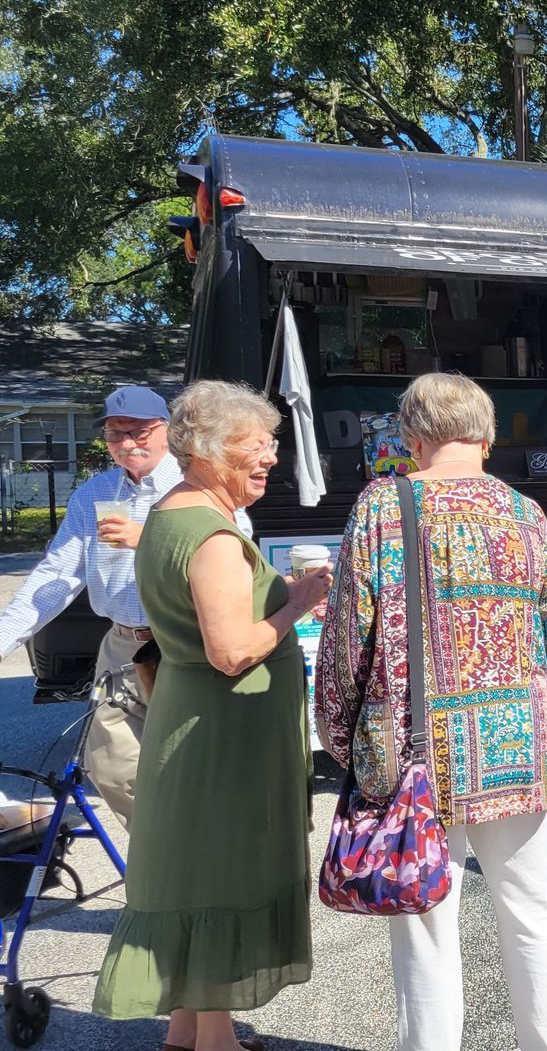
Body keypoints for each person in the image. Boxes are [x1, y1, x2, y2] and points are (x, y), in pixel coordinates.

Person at [317, 372, 547, 1051]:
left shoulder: (382, 508)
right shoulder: (525, 512)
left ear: (411, 437)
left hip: (412, 749)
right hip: (513, 746)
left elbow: (348, 638)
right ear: (487, 437)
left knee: (426, 919)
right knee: (532, 910)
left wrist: (340, 736)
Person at [91, 381, 326, 1051]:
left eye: (271, 445)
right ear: (207, 451)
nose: (270, 459)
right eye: (256, 447)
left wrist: (285, 595)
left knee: (197, 876)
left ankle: (188, 1033)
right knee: (223, 876)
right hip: (220, 739)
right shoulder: (212, 534)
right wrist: (297, 606)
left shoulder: (172, 513)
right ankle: (216, 1041)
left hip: (196, 725)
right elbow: (231, 651)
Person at [0, 386, 248, 831]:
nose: (127, 443)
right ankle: (168, 855)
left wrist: (150, 538)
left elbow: (238, 558)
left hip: (185, 642)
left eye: (139, 431)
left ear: (168, 431)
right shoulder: (94, 494)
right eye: (115, 434)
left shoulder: (202, 485)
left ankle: (202, 863)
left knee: (198, 762)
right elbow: (56, 575)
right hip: (120, 644)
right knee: (111, 767)